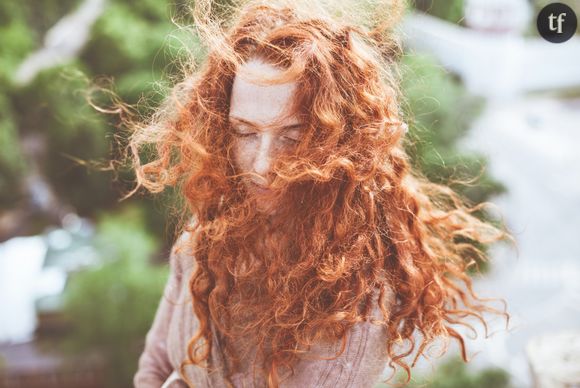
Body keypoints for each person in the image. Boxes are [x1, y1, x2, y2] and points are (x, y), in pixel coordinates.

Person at [129, 0, 509, 386]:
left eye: (292, 137)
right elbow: (156, 361)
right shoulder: (212, 226)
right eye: (244, 132)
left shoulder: (357, 299)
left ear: (337, 144)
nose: (261, 165)